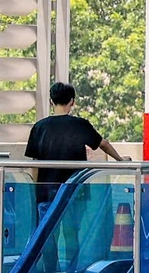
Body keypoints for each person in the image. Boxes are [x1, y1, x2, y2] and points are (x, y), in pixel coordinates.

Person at [25, 81, 124, 213]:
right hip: (75, 188)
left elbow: (35, 164)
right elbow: (103, 144)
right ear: (72, 101)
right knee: (72, 231)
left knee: (47, 231)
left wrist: (35, 189)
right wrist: (120, 160)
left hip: (47, 190)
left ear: (51, 101)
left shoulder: (40, 127)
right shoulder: (80, 125)